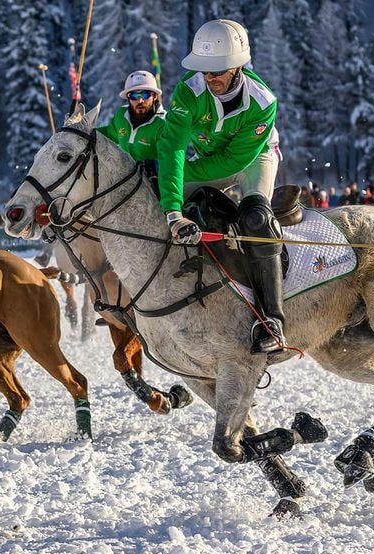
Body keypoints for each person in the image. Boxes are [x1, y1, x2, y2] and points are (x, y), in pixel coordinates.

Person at [158, 19, 287, 353]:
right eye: (204, 70)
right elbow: (171, 147)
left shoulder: (263, 101)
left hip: (253, 160)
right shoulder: (189, 90)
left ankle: (272, 320)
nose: (209, 77)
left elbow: (234, 162)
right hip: (208, 158)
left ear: (237, 66)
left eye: (216, 71)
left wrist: (186, 171)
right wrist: (172, 211)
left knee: (256, 219)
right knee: (154, 192)